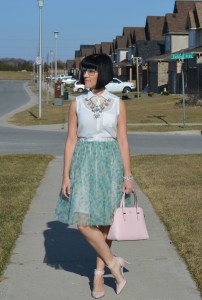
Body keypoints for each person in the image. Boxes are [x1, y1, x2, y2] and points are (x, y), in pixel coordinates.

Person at [55, 53, 135, 298]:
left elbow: (122, 139)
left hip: (111, 163)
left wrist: (128, 176)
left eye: (91, 71)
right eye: (84, 71)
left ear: (103, 72)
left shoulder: (118, 103)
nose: (86, 76)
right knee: (83, 222)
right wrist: (65, 175)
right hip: (84, 162)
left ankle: (99, 276)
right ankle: (114, 263)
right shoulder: (76, 103)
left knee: (106, 223)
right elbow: (71, 140)